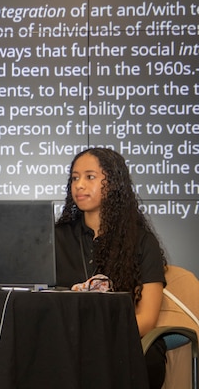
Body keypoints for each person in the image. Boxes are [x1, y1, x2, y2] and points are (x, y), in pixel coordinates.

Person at [54, 147, 167, 389]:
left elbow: (147, 319)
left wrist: (95, 337)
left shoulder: (141, 240)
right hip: (65, 342)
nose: (79, 185)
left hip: (124, 343)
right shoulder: (54, 239)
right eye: (74, 178)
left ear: (114, 183)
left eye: (90, 177)